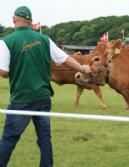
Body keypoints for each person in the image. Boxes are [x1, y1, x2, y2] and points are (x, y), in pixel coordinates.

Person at [0, 6, 91, 167]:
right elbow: (65, 59)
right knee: (44, 139)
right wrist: (83, 68)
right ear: (30, 22)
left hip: (21, 99)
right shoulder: (44, 39)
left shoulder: (6, 42)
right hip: (43, 98)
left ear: (14, 20)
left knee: (9, 138)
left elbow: (4, 72)